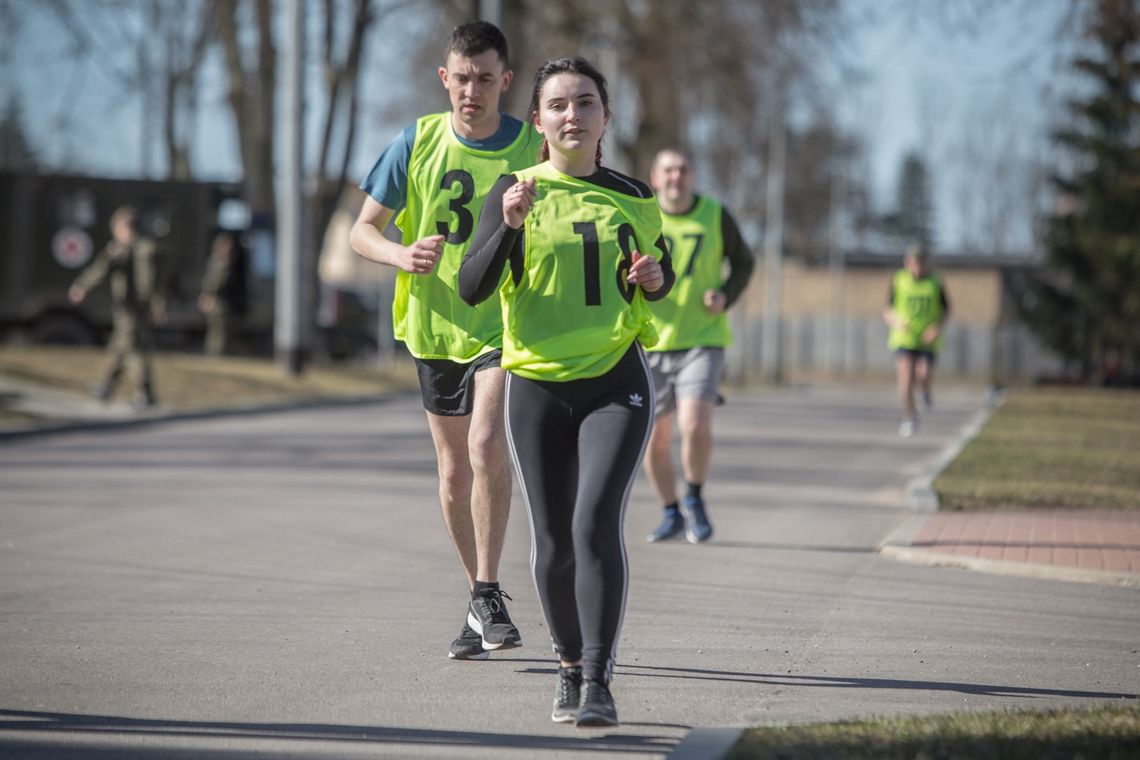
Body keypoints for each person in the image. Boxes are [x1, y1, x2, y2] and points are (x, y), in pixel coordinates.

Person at [459, 56, 674, 729]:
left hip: (615, 377)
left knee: (593, 523)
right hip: (537, 386)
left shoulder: (635, 195)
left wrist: (653, 277)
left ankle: (599, 681)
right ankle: (568, 667)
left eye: (586, 103)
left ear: (605, 117)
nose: (572, 115)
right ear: (539, 121)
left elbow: (655, 278)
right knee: (552, 539)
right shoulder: (513, 190)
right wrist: (508, 226)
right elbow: (472, 286)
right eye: (558, 105)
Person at [348, 21, 541, 661]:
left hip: (500, 325)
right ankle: (478, 600)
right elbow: (360, 232)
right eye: (462, 78)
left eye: (486, 79)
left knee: (487, 443)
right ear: (444, 79)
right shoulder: (417, 141)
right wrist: (401, 254)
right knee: (453, 470)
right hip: (434, 329)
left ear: (505, 82)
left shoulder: (528, 151)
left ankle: (486, 588)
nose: (472, 91)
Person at [641, 148, 754, 545]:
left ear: (693, 176)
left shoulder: (714, 214)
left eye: (684, 170)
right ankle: (670, 510)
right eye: (668, 170)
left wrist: (725, 294)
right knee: (654, 440)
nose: (676, 177)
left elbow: (744, 262)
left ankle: (694, 497)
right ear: (655, 178)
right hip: (650, 342)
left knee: (695, 424)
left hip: (703, 340)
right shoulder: (641, 213)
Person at [68, 205, 162, 410]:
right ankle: (106, 386)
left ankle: (143, 392)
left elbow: (100, 270)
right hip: (140, 307)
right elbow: (158, 282)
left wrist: (81, 287)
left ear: (123, 227)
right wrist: (156, 305)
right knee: (121, 345)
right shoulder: (148, 247)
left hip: (128, 307)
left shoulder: (122, 249)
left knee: (131, 349)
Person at [882, 244, 950, 437]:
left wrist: (936, 328)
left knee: (923, 373)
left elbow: (947, 310)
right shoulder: (899, 280)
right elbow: (886, 310)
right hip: (905, 337)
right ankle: (909, 417)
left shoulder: (936, 282)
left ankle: (926, 392)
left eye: (920, 262)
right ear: (907, 263)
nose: (917, 266)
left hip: (927, 338)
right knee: (905, 379)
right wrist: (896, 322)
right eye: (913, 262)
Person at [198, 231, 239, 356]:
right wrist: (208, 295)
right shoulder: (219, 262)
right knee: (217, 332)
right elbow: (213, 282)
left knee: (219, 331)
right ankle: (215, 354)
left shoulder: (222, 261)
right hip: (216, 300)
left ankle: (216, 354)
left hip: (218, 300)